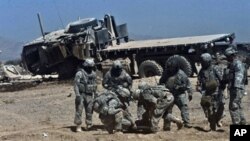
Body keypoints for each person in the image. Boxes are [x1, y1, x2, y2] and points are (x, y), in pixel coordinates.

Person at [159, 57, 193, 129]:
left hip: (179, 94)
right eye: (169, 68)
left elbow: (188, 84)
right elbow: (161, 82)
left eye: (171, 68)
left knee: (184, 107)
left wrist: (190, 93)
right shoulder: (166, 73)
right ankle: (167, 126)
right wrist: (163, 87)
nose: (170, 69)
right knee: (167, 110)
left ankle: (187, 123)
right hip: (169, 94)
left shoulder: (181, 74)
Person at [197, 53, 226, 131]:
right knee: (208, 109)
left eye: (204, 61)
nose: (203, 63)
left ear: (208, 61)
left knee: (220, 108)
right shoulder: (202, 70)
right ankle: (212, 126)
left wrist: (221, 88)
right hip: (207, 93)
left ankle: (218, 119)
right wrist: (200, 88)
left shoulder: (215, 68)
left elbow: (222, 79)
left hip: (217, 92)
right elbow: (199, 81)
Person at [224, 45, 248, 125]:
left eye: (228, 56)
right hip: (234, 88)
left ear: (232, 55)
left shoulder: (237, 63)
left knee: (233, 107)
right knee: (237, 106)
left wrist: (236, 88)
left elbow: (239, 76)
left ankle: (237, 124)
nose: (227, 58)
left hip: (237, 89)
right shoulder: (232, 63)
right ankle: (242, 122)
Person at [73, 58, 97, 132]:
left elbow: (95, 84)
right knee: (79, 110)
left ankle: (89, 124)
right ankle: (78, 125)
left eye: (91, 66)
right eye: (89, 66)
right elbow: (76, 85)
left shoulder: (93, 74)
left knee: (89, 110)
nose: (90, 68)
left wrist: (95, 93)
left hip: (90, 95)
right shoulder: (80, 73)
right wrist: (77, 95)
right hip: (81, 94)